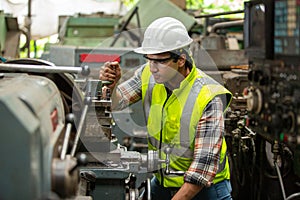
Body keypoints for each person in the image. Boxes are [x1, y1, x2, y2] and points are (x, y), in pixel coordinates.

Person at [99, 17, 232, 200]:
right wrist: (113, 86)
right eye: (149, 60)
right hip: (163, 183)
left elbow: (202, 170)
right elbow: (117, 102)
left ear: (180, 59)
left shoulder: (208, 97)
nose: (152, 68)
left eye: (160, 61)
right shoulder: (148, 74)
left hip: (203, 191)